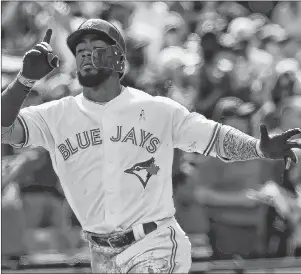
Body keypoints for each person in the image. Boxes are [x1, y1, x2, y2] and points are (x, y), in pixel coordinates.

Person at [1, 19, 301, 273]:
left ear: (119, 59)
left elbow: (215, 137)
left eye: (97, 49)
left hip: (154, 244)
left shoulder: (157, 109)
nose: (87, 56)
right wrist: (25, 79)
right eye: (80, 51)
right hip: (101, 252)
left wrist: (258, 149)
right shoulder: (56, 114)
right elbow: (4, 129)